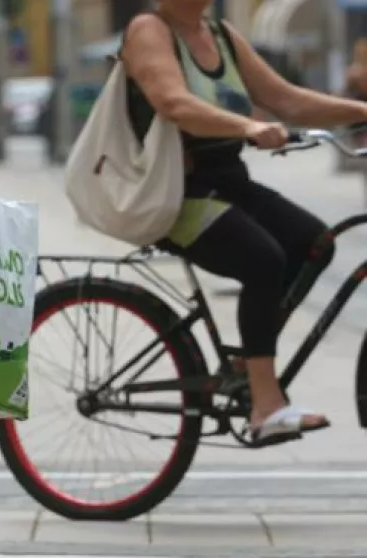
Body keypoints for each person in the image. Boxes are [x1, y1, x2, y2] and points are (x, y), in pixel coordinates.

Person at [122, 0, 367, 446]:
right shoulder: (149, 31)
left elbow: (286, 99)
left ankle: (245, 368)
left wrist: (362, 112)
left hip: (230, 185)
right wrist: (248, 128)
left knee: (314, 242)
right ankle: (266, 404)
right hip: (178, 196)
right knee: (263, 260)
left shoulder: (220, 37)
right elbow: (173, 102)